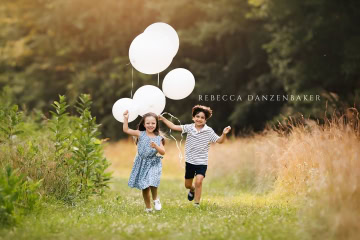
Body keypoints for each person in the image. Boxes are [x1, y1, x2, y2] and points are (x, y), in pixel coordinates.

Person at [159, 105, 231, 206]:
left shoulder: (209, 131)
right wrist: (162, 118)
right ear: (193, 118)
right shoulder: (189, 127)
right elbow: (173, 127)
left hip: (202, 162)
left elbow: (220, 141)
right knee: (188, 185)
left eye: (202, 118)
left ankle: (196, 204)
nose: (199, 119)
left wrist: (224, 134)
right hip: (190, 161)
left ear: (205, 120)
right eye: (197, 116)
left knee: (199, 181)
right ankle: (192, 190)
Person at [123, 110, 165, 213]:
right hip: (141, 163)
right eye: (148, 123)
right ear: (144, 124)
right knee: (145, 186)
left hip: (153, 162)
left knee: (152, 181)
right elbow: (126, 130)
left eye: (153, 123)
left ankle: (155, 199)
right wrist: (125, 118)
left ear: (156, 124)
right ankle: (148, 208)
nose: (150, 125)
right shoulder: (140, 134)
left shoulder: (159, 138)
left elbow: (163, 152)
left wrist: (156, 146)